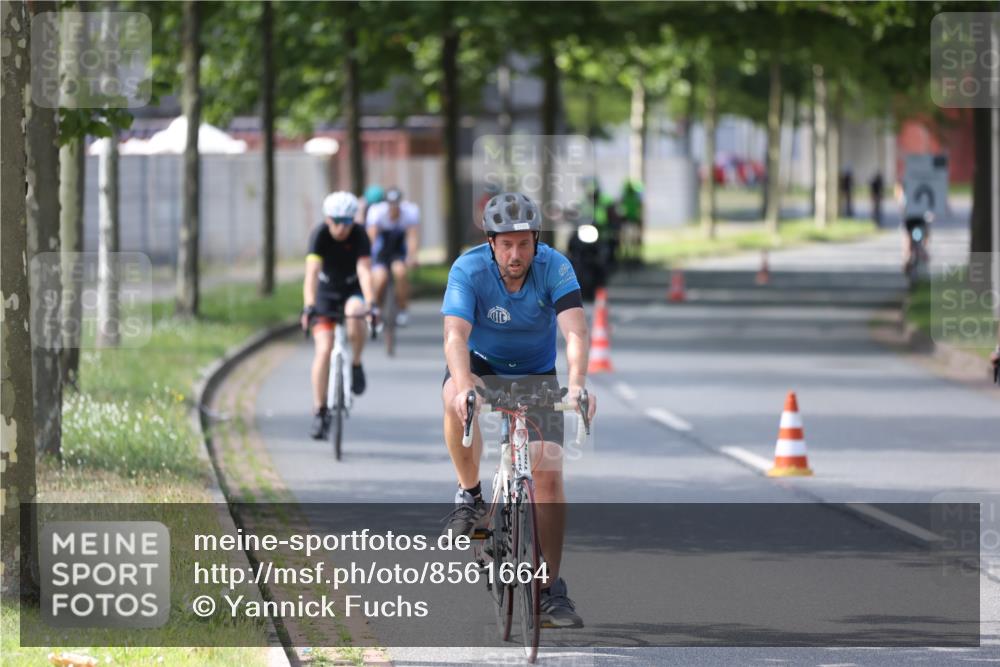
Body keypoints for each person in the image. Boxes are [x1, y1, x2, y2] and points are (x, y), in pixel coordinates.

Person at [440, 191, 598, 629]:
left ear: (536, 240)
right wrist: (464, 385)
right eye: (506, 244)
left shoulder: (555, 267)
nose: (515, 253)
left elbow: (576, 333)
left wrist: (579, 385)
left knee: (547, 472)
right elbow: (455, 334)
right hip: (481, 365)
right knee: (454, 392)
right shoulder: (468, 268)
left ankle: (550, 588)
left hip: (535, 373)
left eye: (524, 243)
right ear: (490, 242)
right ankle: (469, 495)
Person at [302, 191, 375, 440]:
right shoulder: (319, 234)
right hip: (326, 292)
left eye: (346, 222)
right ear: (327, 219)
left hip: (352, 289)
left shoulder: (360, 234)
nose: (341, 228)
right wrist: (309, 305)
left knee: (355, 312)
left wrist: (372, 303)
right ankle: (320, 411)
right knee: (323, 350)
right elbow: (311, 273)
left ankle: (355, 363)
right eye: (335, 221)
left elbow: (365, 271)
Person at [366, 187, 420, 327]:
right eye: (390, 204)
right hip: (381, 251)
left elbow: (412, 237)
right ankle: (375, 310)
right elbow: (372, 238)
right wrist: (367, 258)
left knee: (401, 273)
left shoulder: (409, 212)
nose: (393, 207)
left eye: (396, 204)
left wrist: (412, 256)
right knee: (379, 278)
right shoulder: (377, 212)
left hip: (398, 250)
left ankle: (402, 308)